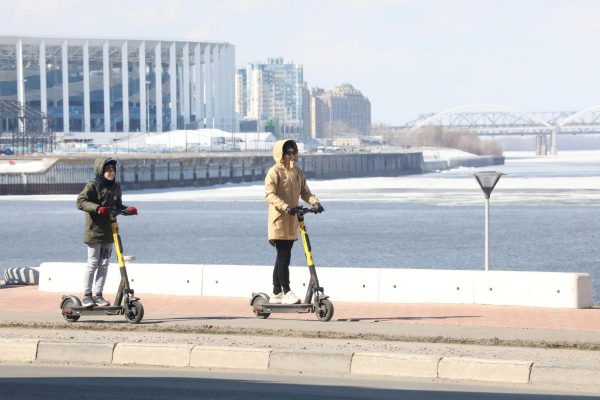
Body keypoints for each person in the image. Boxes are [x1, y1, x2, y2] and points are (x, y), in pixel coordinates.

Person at [265, 139, 323, 305]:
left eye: (293, 152)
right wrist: (285, 207)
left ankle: (276, 292)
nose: (291, 155)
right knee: (284, 256)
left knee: (282, 256)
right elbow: (269, 194)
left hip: (293, 220)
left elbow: (305, 191)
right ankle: (286, 291)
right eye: (287, 152)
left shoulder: (297, 171)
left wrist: (315, 203)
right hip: (279, 220)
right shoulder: (274, 171)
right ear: (280, 154)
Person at [76, 157, 137, 308]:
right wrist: (97, 208)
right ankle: (87, 296)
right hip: (94, 232)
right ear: (101, 171)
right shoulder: (92, 186)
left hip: (110, 232)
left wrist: (127, 210)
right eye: (108, 170)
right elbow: (80, 202)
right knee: (93, 263)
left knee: (104, 264)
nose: (111, 172)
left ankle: (98, 295)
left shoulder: (116, 187)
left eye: (113, 170)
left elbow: (117, 207)